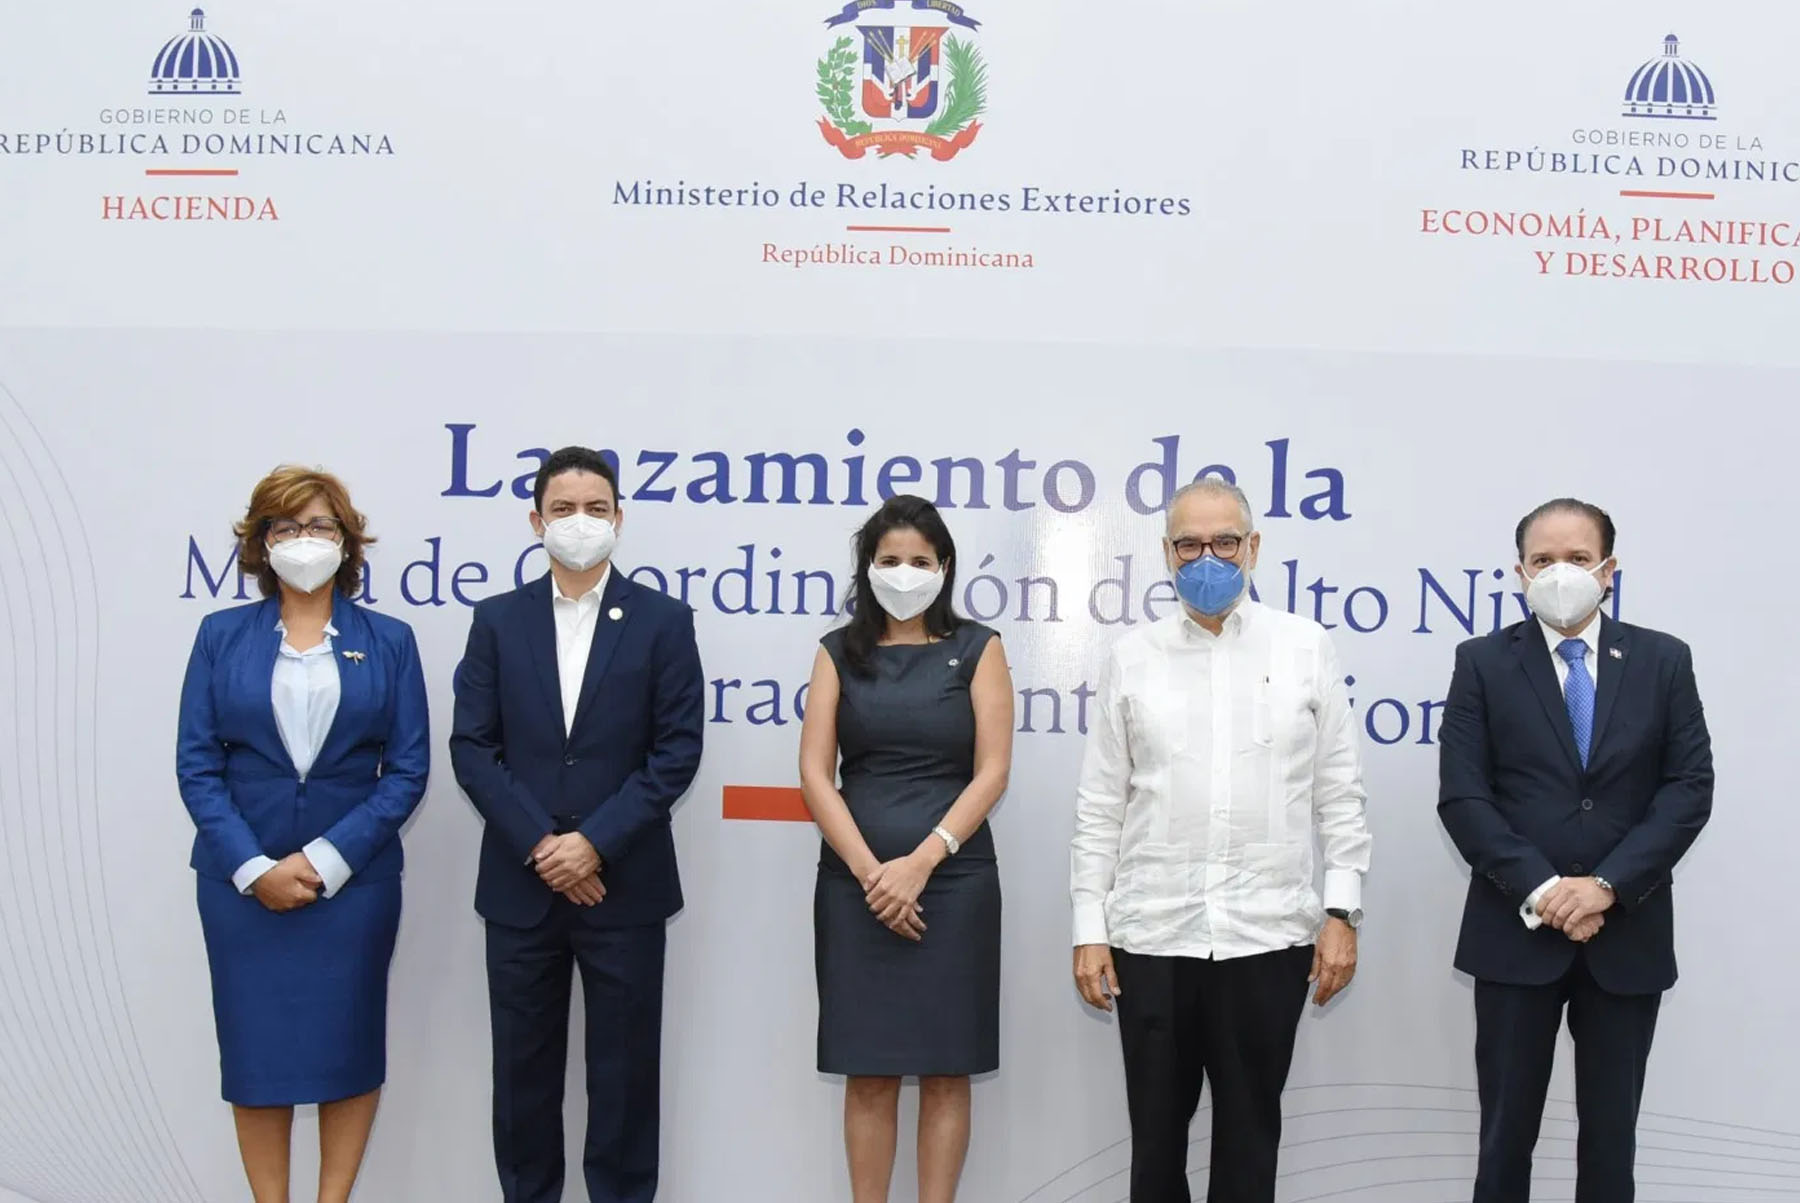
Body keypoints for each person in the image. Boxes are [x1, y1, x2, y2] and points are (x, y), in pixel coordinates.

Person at [1070, 479, 1372, 1203]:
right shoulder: (1131, 656)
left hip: (1267, 938)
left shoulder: (1305, 647)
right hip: (1152, 937)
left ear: (1254, 546)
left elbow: (1341, 792)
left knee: (1249, 1148)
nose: (1208, 557)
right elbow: (1100, 802)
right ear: (1166, 554)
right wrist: (1090, 926)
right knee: (1155, 1152)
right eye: (1190, 544)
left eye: (1225, 542)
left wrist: (1342, 913)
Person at [1438, 498, 1713, 1203]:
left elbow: (1688, 788)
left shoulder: (1663, 659)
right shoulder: (1481, 663)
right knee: (1504, 1139)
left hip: (1627, 934)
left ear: (1609, 570)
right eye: (1543, 559)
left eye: (1579, 558)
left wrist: (1607, 886)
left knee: (1612, 1142)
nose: (1561, 572)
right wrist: (1547, 890)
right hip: (1515, 934)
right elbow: (1465, 797)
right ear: (1519, 572)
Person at [449, 446, 704, 1203]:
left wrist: (593, 842)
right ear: (535, 521)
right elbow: (473, 745)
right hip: (521, 894)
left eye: (597, 508)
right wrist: (542, 845)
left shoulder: (663, 621)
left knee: (624, 1086)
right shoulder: (496, 621)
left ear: (620, 518)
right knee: (522, 1085)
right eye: (563, 509)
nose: (580, 522)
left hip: (624, 890)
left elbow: (677, 749)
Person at [175, 466, 429, 1203]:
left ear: (346, 541)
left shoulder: (390, 641)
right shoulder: (220, 637)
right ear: (260, 544)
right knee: (257, 1053)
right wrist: (254, 867)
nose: (303, 540)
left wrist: (323, 860)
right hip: (240, 887)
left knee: (347, 1046)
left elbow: (406, 771)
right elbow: (197, 765)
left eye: (319, 526)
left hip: (353, 886)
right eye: (285, 527)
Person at [798, 494, 1013, 1203]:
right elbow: (814, 775)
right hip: (856, 887)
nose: (904, 572)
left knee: (948, 1069)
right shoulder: (837, 653)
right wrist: (872, 875)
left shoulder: (979, 648)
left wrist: (920, 862)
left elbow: (993, 771)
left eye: (920, 560)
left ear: (944, 567)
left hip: (954, 883)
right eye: (889, 560)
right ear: (868, 566)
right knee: (870, 1070)